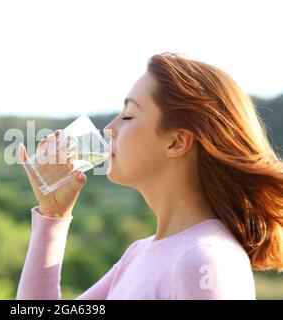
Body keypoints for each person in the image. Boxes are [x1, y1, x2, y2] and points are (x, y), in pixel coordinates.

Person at [16, 53, 283, 299]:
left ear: (177, 142)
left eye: (129, 115)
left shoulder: (204, 261)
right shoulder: (139, 254)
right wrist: (53, 215)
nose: (109, 128)